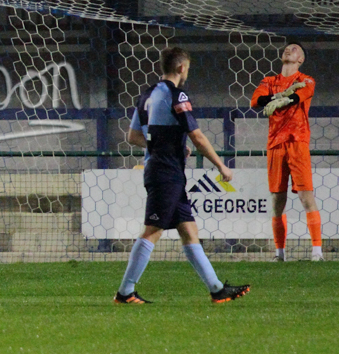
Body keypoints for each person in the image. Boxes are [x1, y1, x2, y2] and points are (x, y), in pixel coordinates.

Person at [115, 46, 250, 304]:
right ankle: (125, 292)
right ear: (181, 67)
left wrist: (164, 145)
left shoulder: (147, 94)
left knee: (189, 230)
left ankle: (217, 289)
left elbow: (132, 136)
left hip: (164, 170)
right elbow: (197, 136)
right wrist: (221, 166)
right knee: (153, 231)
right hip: (165, 172)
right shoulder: (177, 95)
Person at [251, 42, 322, 261]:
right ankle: (279, 253)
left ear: (301, 59)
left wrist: (283, 99)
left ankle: (317, 252)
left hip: (297, 141)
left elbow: (297, 97)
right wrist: (278, 96)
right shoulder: (269, 81)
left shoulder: (306, 80)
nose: (289, 50)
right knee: (277, 200)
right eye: (287, 48)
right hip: (275, 144)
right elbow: (256, 101)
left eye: (295, 49)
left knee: (305, 196)